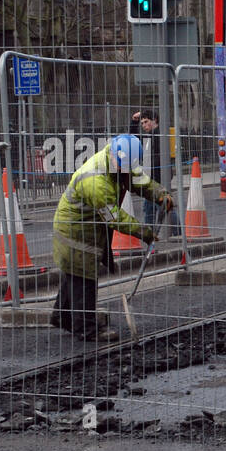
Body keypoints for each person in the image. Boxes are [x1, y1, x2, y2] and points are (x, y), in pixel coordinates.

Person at [50, 134, 172, 342]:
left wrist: (160, 194)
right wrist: (144, 232)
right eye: (121, 165)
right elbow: (114, 217)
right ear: (113, 154)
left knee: (74, 274)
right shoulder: (95, 181)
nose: (123, 169)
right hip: (74, 232)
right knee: (84, 277)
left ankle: (62, 316)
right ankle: (87, 329)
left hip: (87, 227)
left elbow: (139, 180)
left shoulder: (120, 161)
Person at [131, 109, 181, 240]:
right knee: (153, 207)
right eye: (142, 123)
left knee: (157, 207)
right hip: (151, 177)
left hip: (158, 177)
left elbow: (159, 158)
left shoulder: (158, 134)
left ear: (155, 121)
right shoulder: (150, 136)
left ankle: (156, 234)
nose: (144, 125)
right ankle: (169, 233)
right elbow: (134, 139)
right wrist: (133, 122)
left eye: (146, 122)